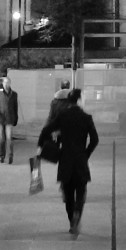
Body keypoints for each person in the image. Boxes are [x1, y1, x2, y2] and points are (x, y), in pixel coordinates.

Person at [39, 87, 98, 235]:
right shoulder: (86, 117)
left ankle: (72, 218)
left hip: (65, 159)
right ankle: (78, 213)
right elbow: (95, 140)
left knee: (68, 194)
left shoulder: (62, 116)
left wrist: (41, 146)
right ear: (78, 100)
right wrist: (86, 154)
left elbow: (46, 130)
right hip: (80, 160)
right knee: (81, 190)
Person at [0, 76, 19, 164]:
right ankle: (2, 155)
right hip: (1, 120)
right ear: (2, 84)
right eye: (4, 82)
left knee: (9, 138)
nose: (6, 84)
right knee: (1, 139)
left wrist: (16, 117)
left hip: (10, 119)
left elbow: (15, 107)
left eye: (7, 82)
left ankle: (10, 155)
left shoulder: (14, 94)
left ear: (10, 83)